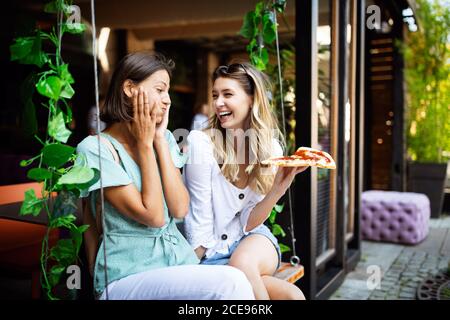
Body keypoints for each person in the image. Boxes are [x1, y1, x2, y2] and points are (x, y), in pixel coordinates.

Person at [76, 52, 254, 300]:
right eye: (160, 90)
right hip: (125, 276)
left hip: (175, 264)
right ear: (129, 88)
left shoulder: (165, 139)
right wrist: (145, 145)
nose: (167, 100)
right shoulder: (96, 149)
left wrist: (158, 139)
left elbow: (180, 208)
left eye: (167, 91)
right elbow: (155, 217)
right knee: (231, 282)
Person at [183, 62, 307, 300]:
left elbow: (249, 223)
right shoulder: (201, 143)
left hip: (251, 241)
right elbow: (197, 221)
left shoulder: (270, 147)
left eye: (228, 94)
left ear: (252, 99)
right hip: (209, 253)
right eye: (215, 95)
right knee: (291, 296)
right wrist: (197, 267)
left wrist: (278, 189)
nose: (218, 103)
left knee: (243, 263)